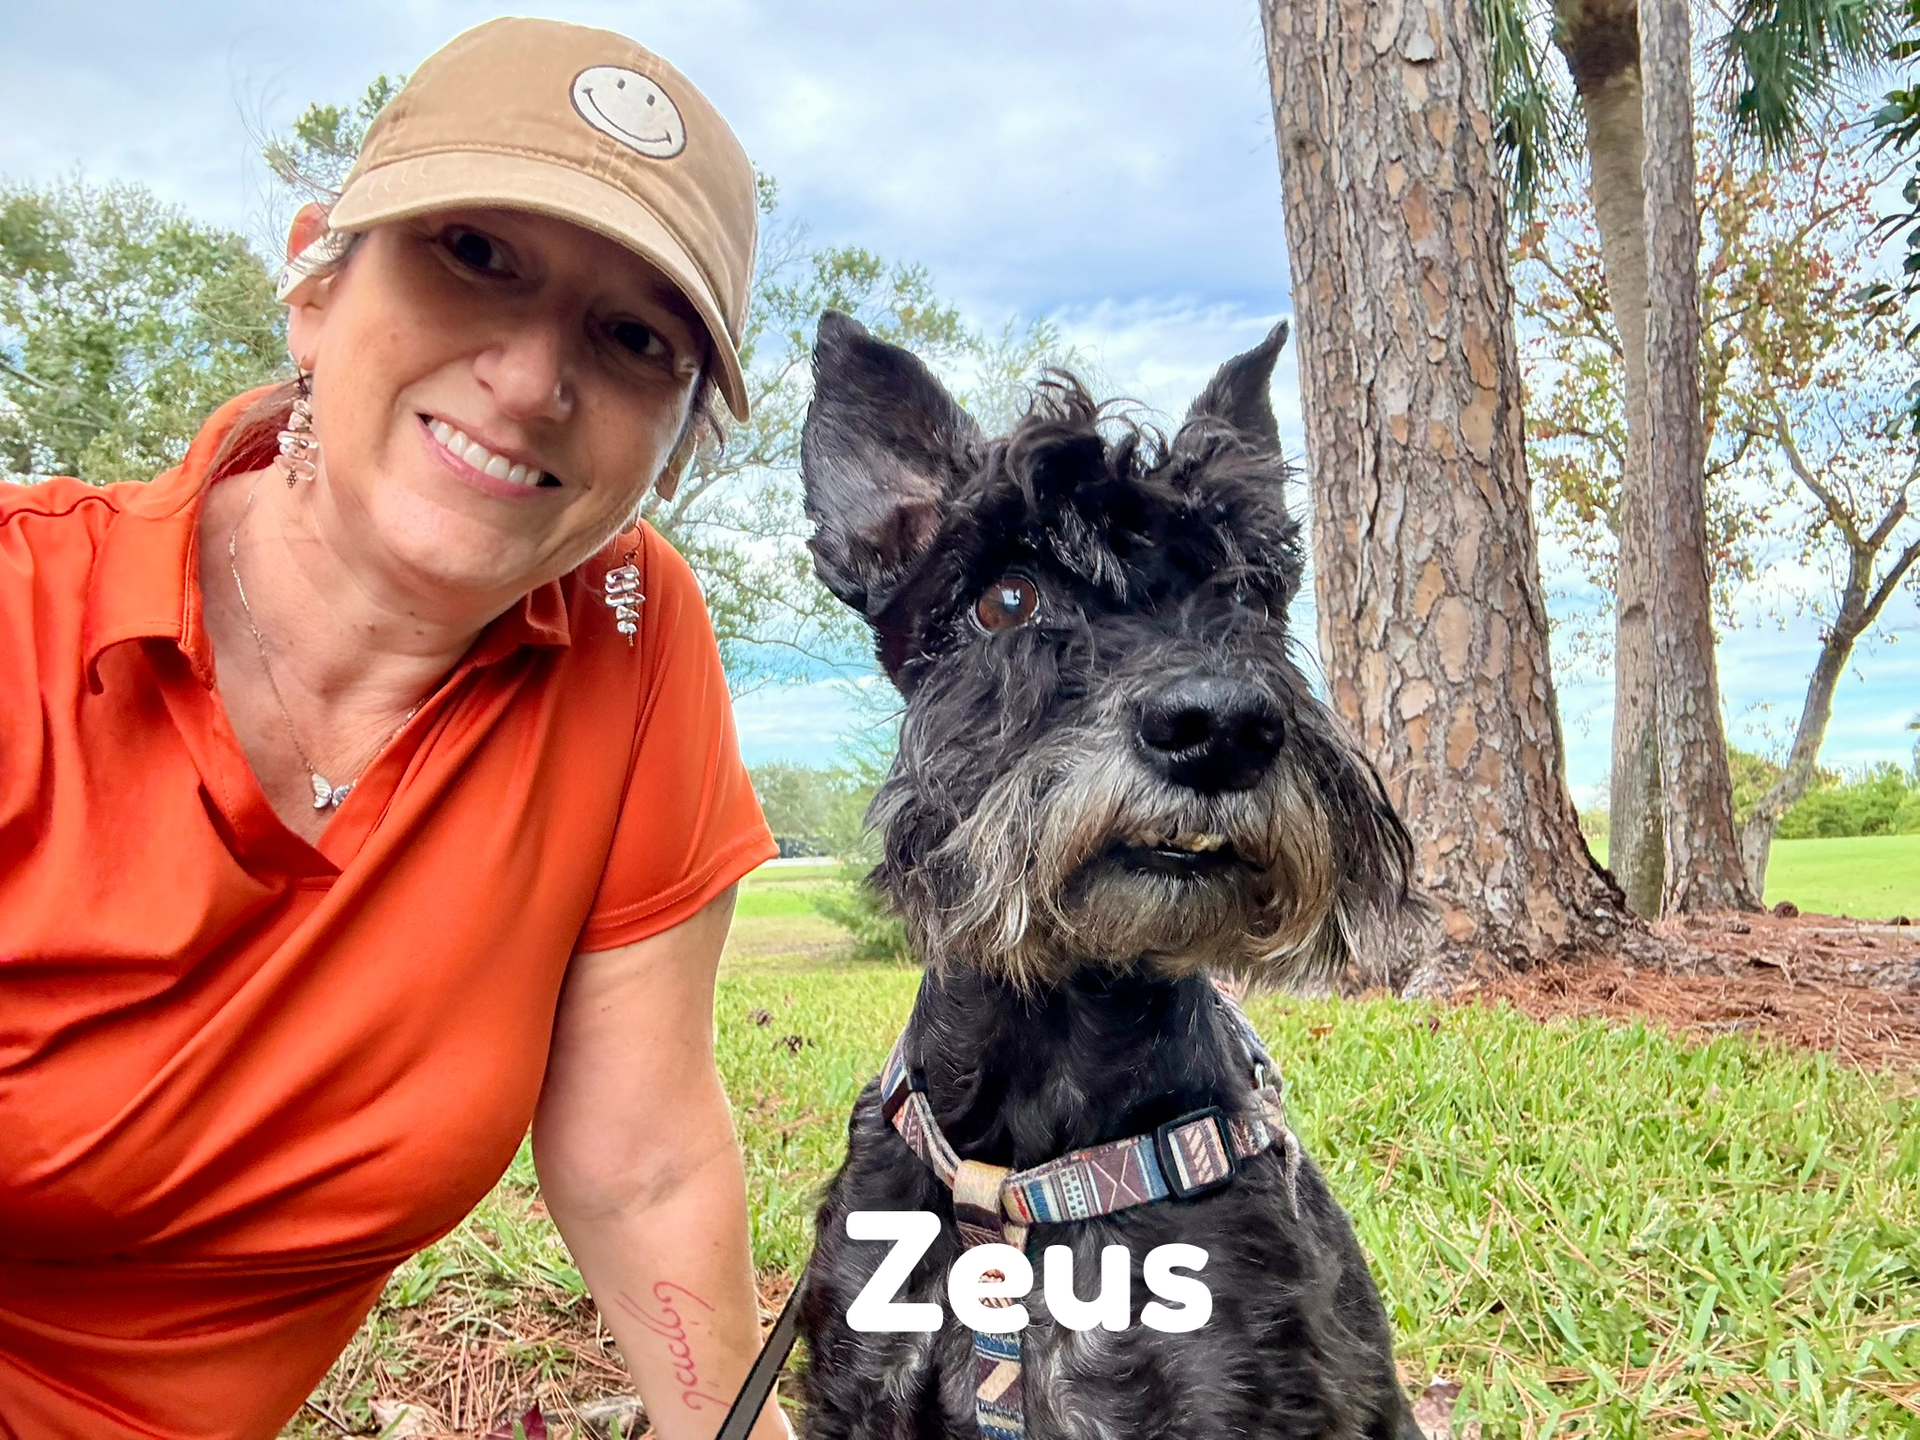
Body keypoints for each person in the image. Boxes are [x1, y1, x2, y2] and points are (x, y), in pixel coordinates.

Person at [0, 18, 795, 1440]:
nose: (534, 378)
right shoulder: (22, 608)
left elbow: (645, 1163)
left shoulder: (629, 625)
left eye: (633, 339)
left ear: (670, 450)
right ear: (315, 285)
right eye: (475, 254)